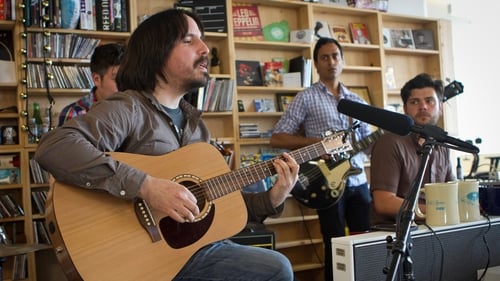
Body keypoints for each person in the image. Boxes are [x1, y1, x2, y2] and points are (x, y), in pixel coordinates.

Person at [35, 8, 299, 281]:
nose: (205, 49)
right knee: (276, 269)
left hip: (190, 249)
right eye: (189, 40)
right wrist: (147, 186)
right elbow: (55, 146)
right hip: (137, 256)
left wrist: (273, 198)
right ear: (157, 52)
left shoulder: (198, 128)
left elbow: (221, 207)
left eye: (202, 39)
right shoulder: (129, 108)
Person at [270, 37, 373, 281]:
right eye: (324, 57)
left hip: (359, 184)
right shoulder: (306, 98)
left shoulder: (357, 102)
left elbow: (370, 147)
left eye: (336, 56)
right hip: (326, 183)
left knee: (364, 242)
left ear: (343, 61)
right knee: (335, 246)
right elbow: (277, 138)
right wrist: (317, 145)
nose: (331, 62)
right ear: (316, 64)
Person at [370, 73, 456, 225]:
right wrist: (436, 212)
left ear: (440, 107)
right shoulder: (390, 143)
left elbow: (452, 190)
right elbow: (384, 202)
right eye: (415, 102)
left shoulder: (442, 144)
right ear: (405, 109)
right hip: (396, 236)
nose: (423, 106)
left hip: (435, 228)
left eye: (429, 101)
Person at [57, 42, 125, 126]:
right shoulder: (74, 115)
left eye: (127, 79)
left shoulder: (131, 111)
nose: (125, 86)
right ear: (97, 79)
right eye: (117, 80)